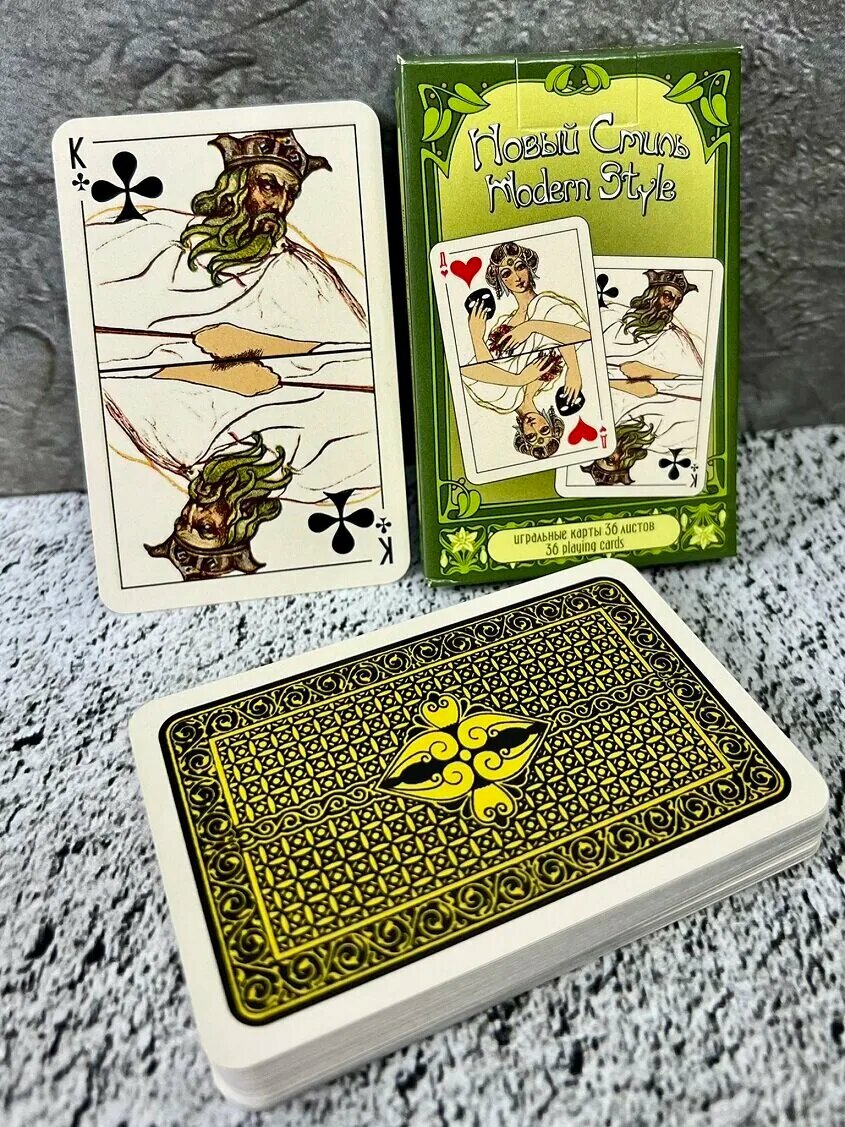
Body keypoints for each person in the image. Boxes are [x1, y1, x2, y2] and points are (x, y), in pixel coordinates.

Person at [458, 242, 592, 460]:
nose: (517, 277)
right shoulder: (508, 321)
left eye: (532, 436)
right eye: (507, 273)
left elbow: (470, 371)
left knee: (543, 303)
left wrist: (476, 336)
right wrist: (573, 369)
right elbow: (574, 336)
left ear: (522, 434)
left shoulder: (502, 402)